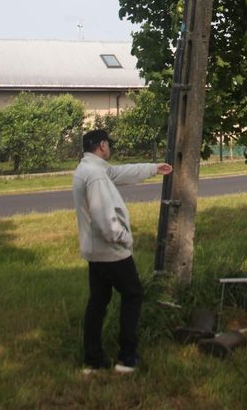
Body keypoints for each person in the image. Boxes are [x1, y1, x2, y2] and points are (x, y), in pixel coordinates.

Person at [72, 128, 172, 374]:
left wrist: (152, 168)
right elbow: (104, 217)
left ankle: (93, 360)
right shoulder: (95, 176)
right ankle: (127, 357)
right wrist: (123, 238)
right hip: (111, 250)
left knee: (98, 302)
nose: (111, 149)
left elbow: (118, 172)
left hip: (96, 252)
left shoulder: (89, 169)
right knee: (133, 295)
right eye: (109, 145)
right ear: (103, 146)